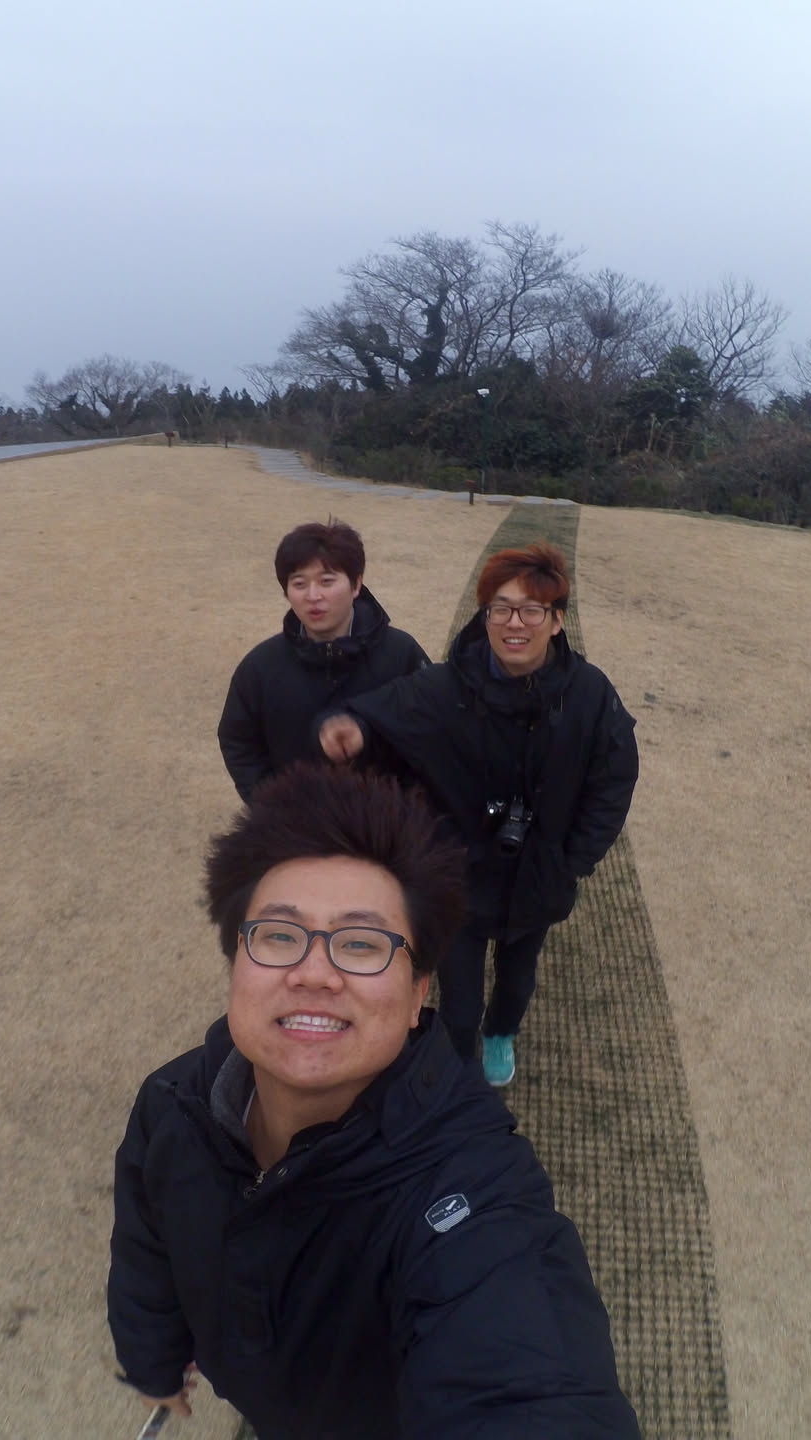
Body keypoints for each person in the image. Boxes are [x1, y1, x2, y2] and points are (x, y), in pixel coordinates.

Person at [108, 766, 640, 1440]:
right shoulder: (174, 1104)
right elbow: (145, 1251)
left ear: (420, 992)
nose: (313, 972)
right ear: (235, 961)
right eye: (279, 936)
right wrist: (151, 1361)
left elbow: (528, 1380)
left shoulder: (473, 1197)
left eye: (361, 944)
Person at [318, 543, 638, 1087]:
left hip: (539, 876)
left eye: (531, 610)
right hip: (458, 876)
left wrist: (573, 860)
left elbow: (615, 777)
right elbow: (377, 713)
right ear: (484, 614)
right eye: (500, 608)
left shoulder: (589, 694)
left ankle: (501, 1035)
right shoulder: (445, 687)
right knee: (459, 999)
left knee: (517, 980)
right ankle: (460, 1067)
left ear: (557, 621)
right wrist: (349, 727)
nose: (514, 623)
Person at [217, 520, 428, 802]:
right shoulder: (260, 667)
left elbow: (432, 731)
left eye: (327, 581)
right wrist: (272, 805)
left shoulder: (402, 654)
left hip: (387, 822)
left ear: (356, 584)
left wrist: (406, 807)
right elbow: (238, 741)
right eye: (299, 584)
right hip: (294, 822)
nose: (313, 596)